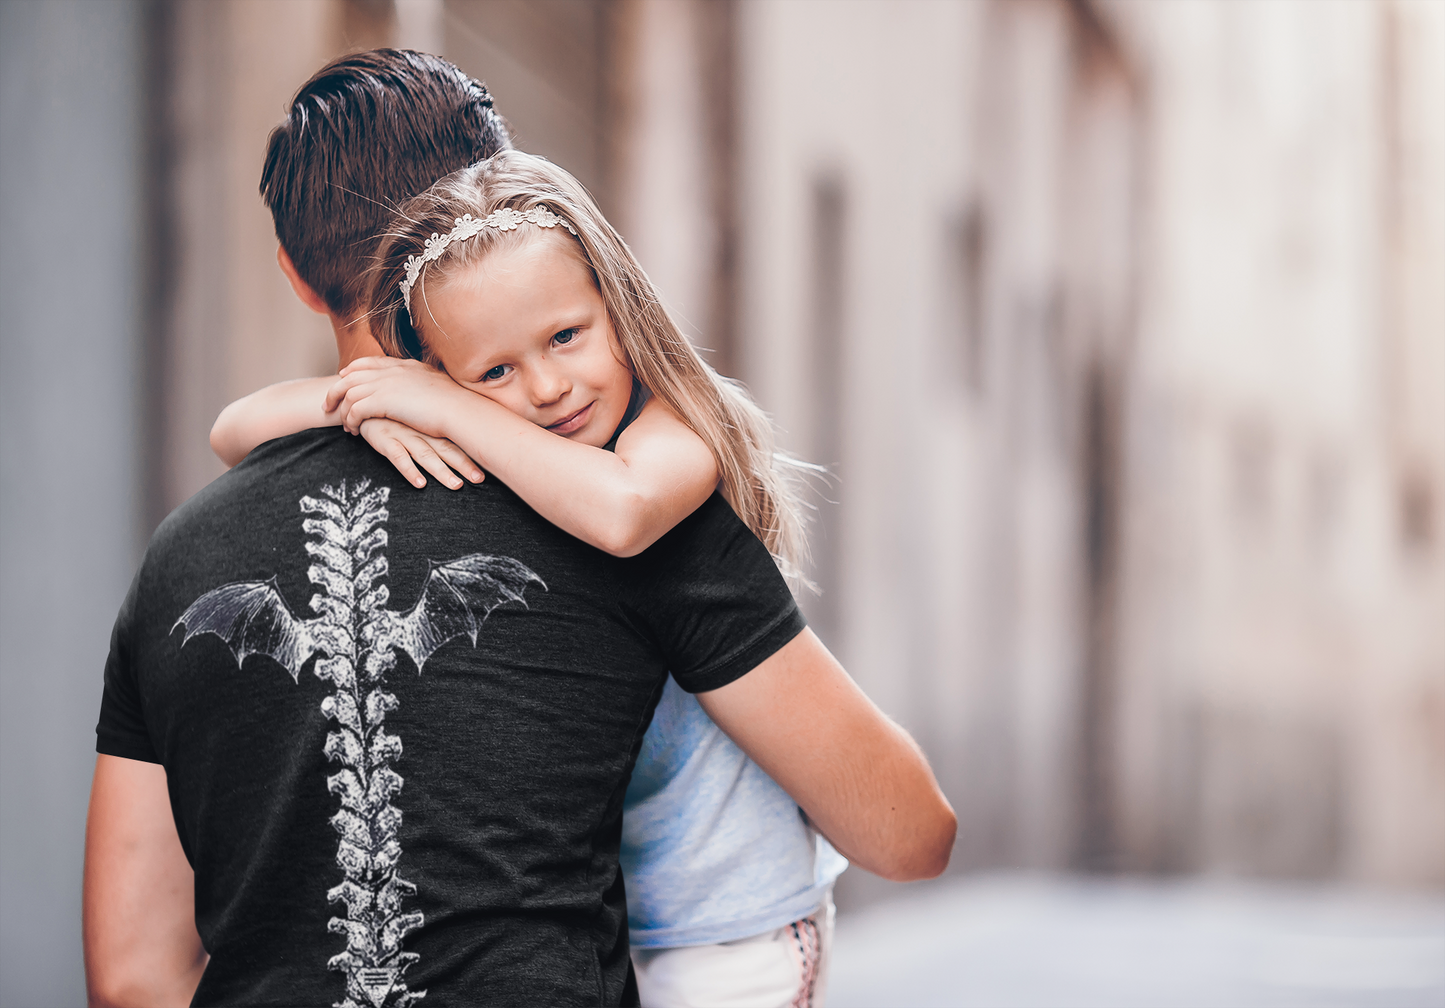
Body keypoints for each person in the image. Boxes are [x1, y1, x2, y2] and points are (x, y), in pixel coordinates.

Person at [83, 51, 957, 1008]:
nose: (543, 387)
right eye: (501, 368)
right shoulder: (606, 495)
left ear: (295, 271)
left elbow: (133, 978)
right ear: (492, 214)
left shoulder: (180, 560)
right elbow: (907, 832)